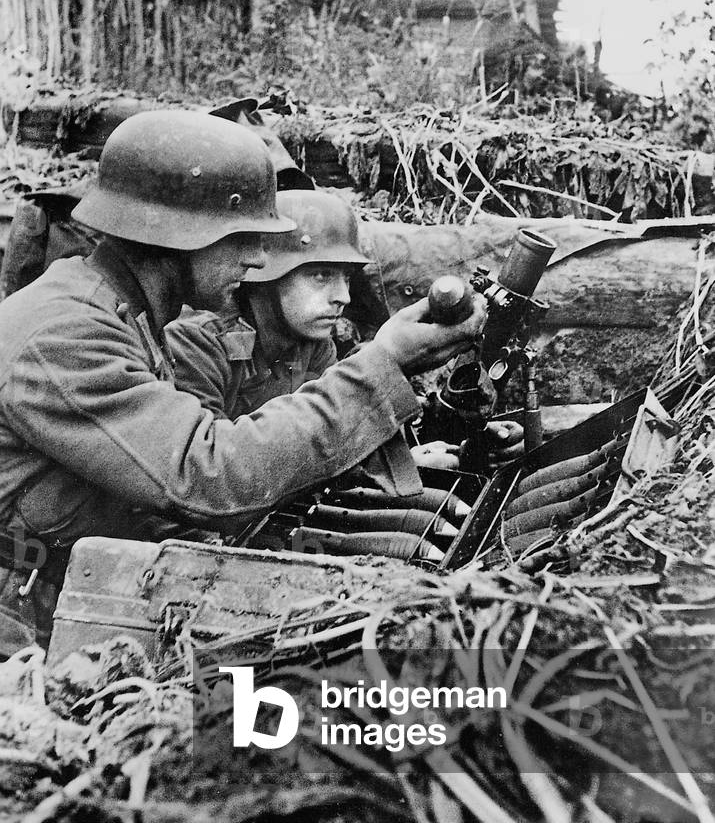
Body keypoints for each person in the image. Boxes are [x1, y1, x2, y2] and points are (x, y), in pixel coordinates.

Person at [0, 110, 486, 655]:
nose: (258, 259)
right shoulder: (64, 334)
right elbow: (210, 474)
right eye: (242, 238)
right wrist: (383, 363)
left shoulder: (121, 314)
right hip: (20, 624)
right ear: (175, 236)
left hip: (67, 590)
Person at [166, 188, 469, 477]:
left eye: (346, 278)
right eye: (321, 275)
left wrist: (401, 463)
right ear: (269, 275)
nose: (343, 297)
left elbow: (326, 441)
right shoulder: (197, 344)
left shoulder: (313, 344)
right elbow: (209, 473)